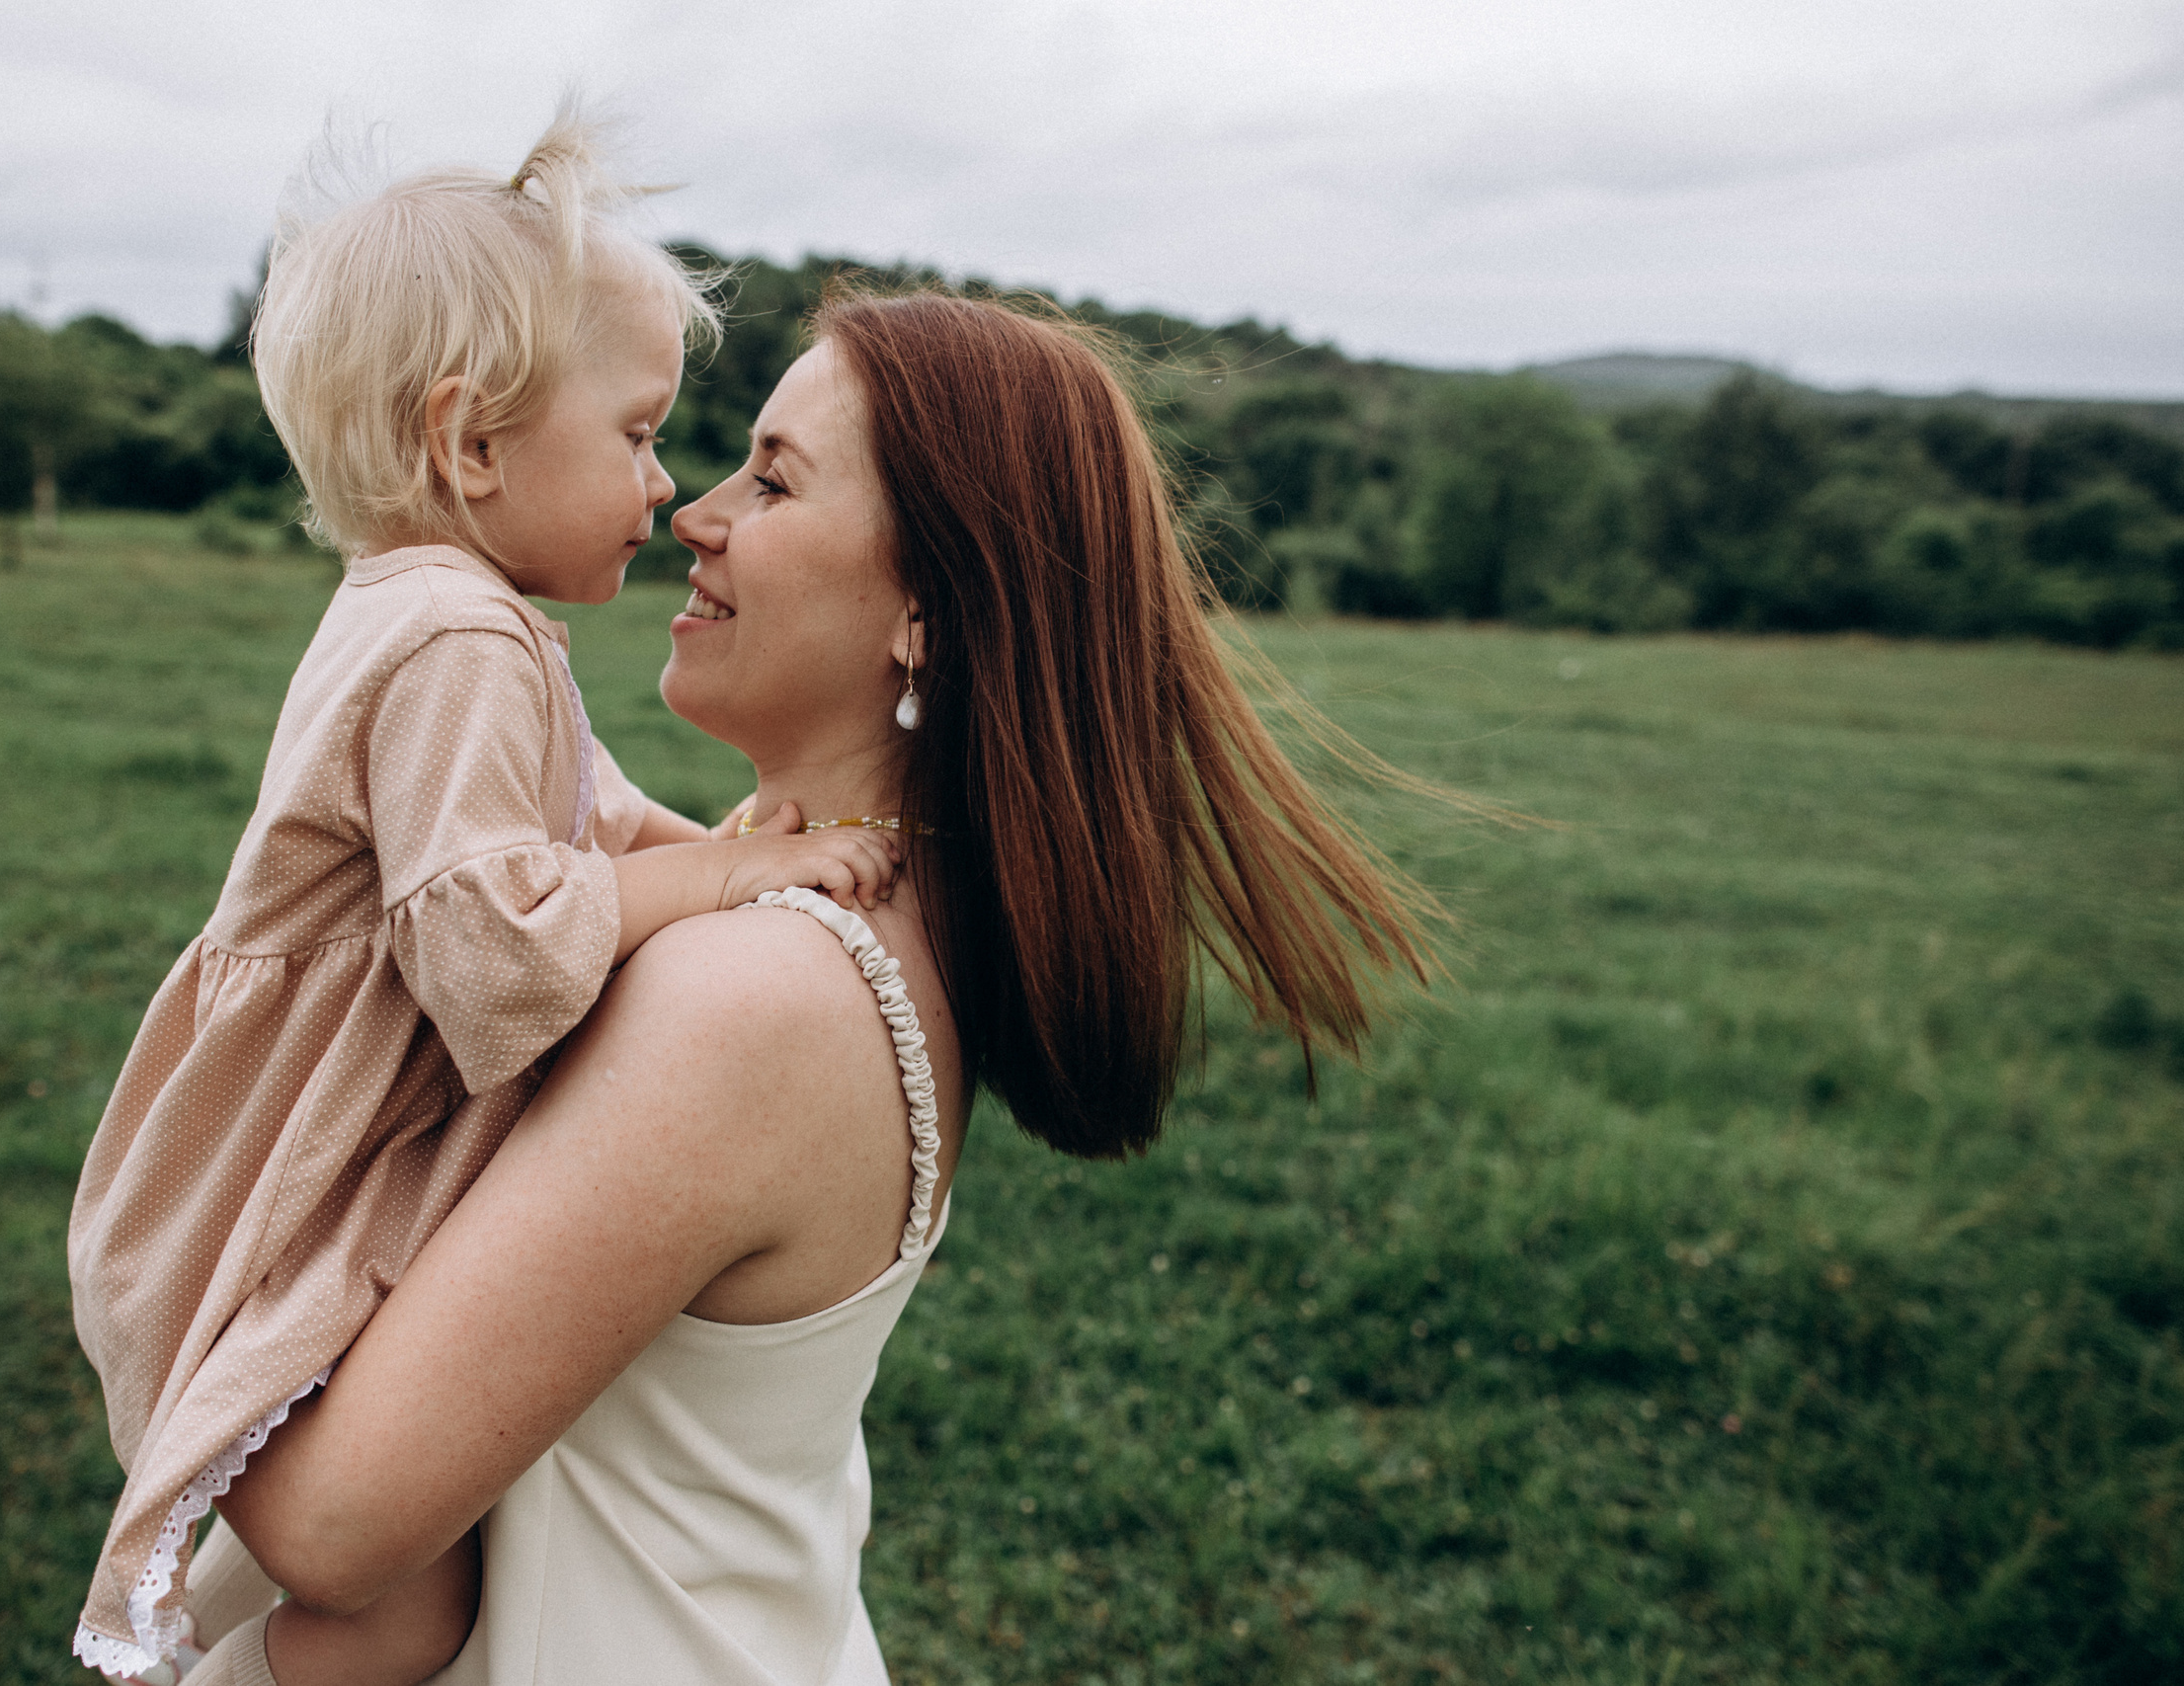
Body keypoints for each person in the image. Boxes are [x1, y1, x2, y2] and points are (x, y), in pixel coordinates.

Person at [170, 287, 1438, 1686]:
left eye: (772, 478)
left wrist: (166, 1256)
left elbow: (337, 1529)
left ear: (929, 618)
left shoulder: (757, 996)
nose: (696, 515)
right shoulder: (820, 893)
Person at [65, 115, 902, 1683]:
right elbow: (496, 954)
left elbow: (575, 820)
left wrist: (714, 837)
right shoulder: (458, 640)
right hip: (287, 1154)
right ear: (471, 445)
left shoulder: (446, 614)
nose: (671, 489)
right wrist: (727, 873)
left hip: (300, 1118)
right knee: (392, 1601)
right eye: (643, 434)